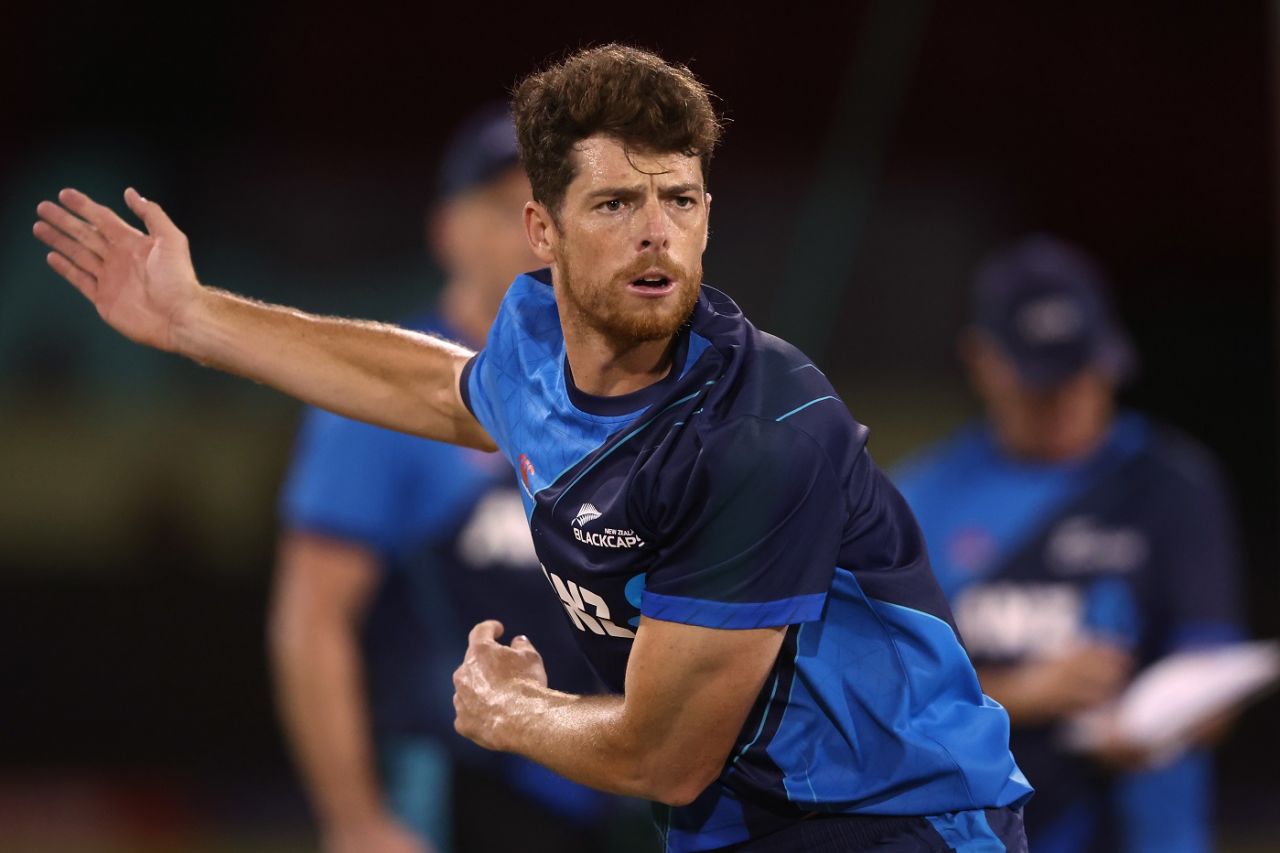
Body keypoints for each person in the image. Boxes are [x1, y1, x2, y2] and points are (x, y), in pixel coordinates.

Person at [33, 44, 1032, 852]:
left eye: (678, 200)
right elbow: (429, 384)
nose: (656, 235)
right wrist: (195, 320)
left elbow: (666, 755)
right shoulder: (531, 350)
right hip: (741, 820)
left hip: (896, 817)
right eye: (614, 204)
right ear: (540, 232)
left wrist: (509, 711)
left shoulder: (759, 437)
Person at [269, 103, 618, 853]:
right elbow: (312, 617)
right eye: (505, 208)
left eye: (555, 205)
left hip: (609, 785)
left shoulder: (620, 388)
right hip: (453, 785)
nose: (537, 231)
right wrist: (355, 818)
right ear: (447, 231)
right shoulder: (381, 392)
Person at [892, 235, 1246, 853]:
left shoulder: (1172, 485)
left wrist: (1150, 719)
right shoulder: (920, 500)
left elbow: (1213, 669)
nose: (1066, 402)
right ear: (983, 362)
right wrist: (1024, 693)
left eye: (1080, 373)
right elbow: (884, 697)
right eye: (1040, 383)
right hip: (979, 834)